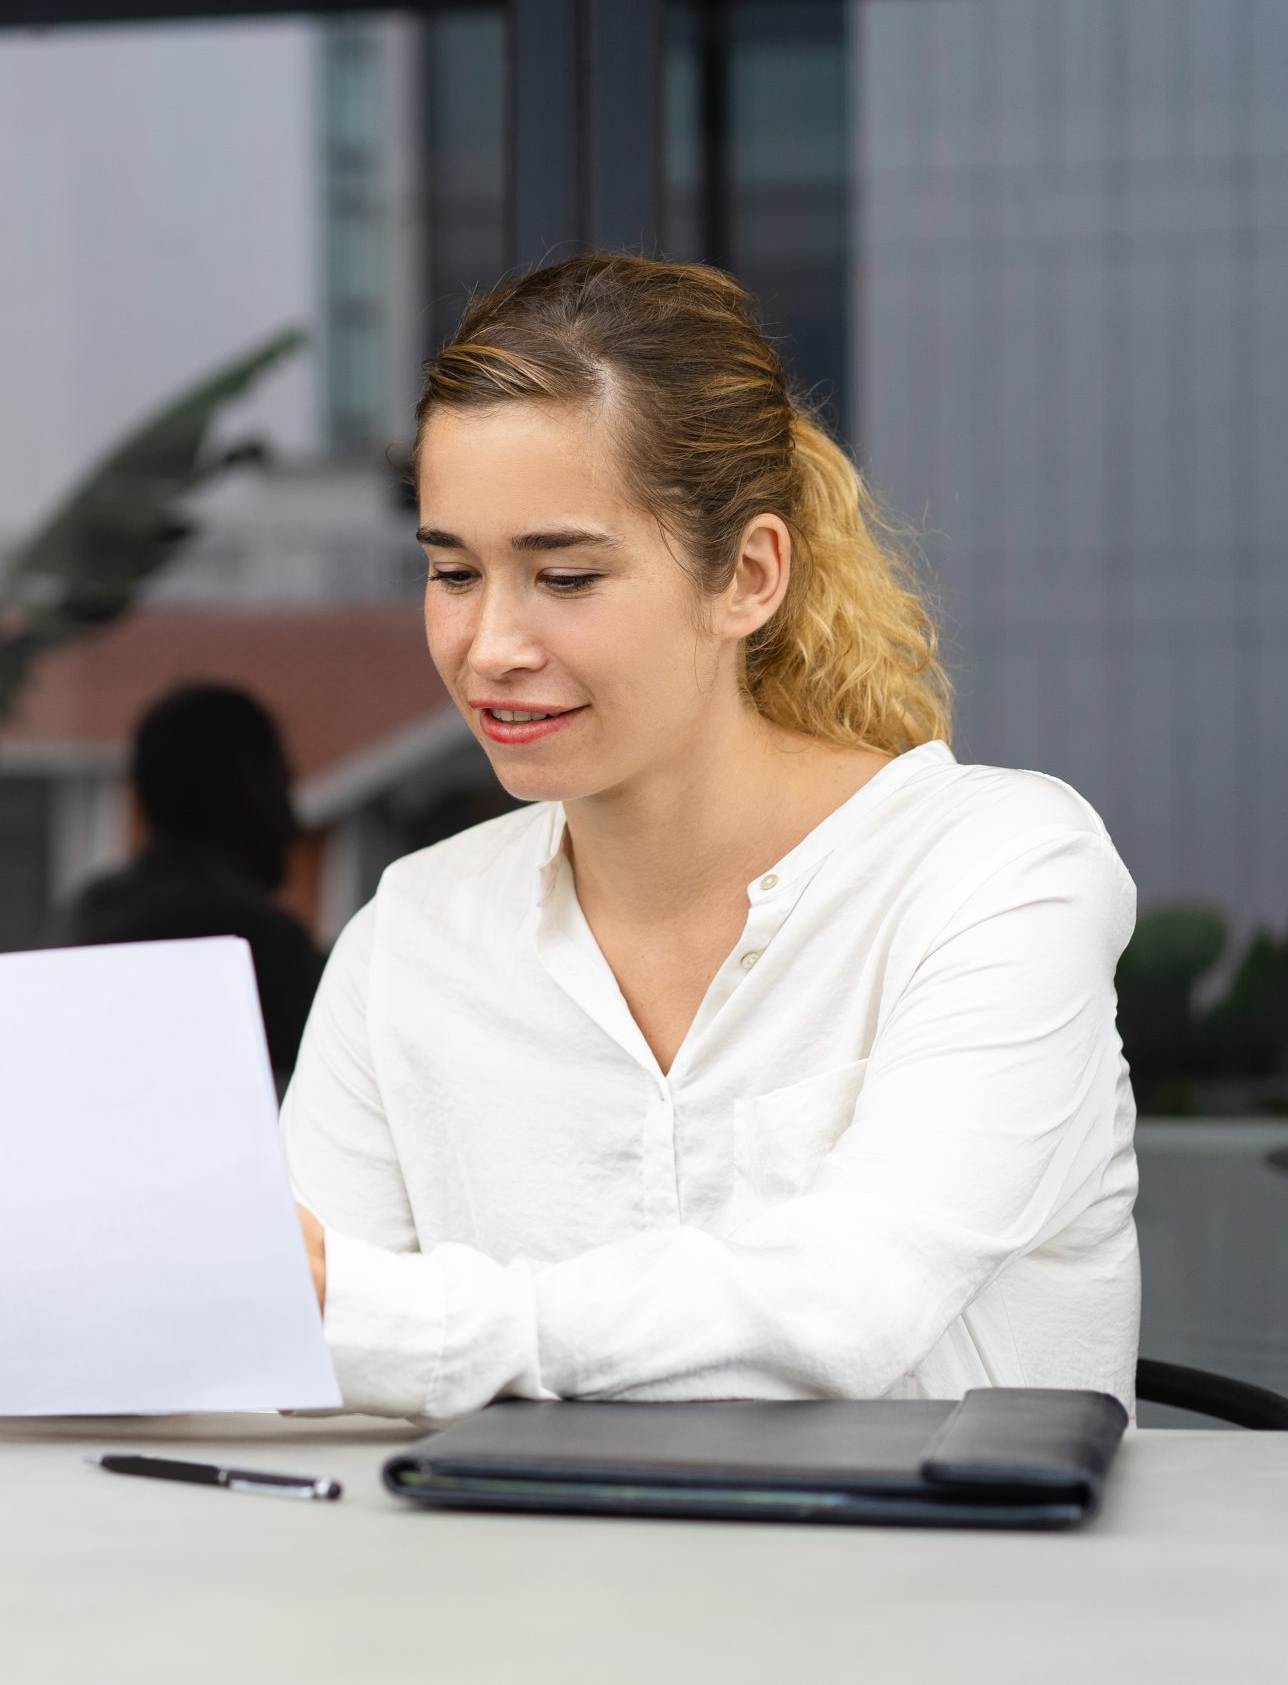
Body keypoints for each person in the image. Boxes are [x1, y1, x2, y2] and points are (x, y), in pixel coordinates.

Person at [286, 254, 1139, 1421]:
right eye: (451, 571)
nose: (488, 646)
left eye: (565, 575)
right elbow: (298, 1366)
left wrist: (393, 1321)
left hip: (934, 1600)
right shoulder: (412, 937)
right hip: (516, 1599)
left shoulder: (996, 872)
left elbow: (845, 1307)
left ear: (746, 575)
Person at [55, 684, 324, 1088]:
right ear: (251, 782)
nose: (295, 820)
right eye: (284, 782)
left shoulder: (86, 918)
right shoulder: (262, 944)